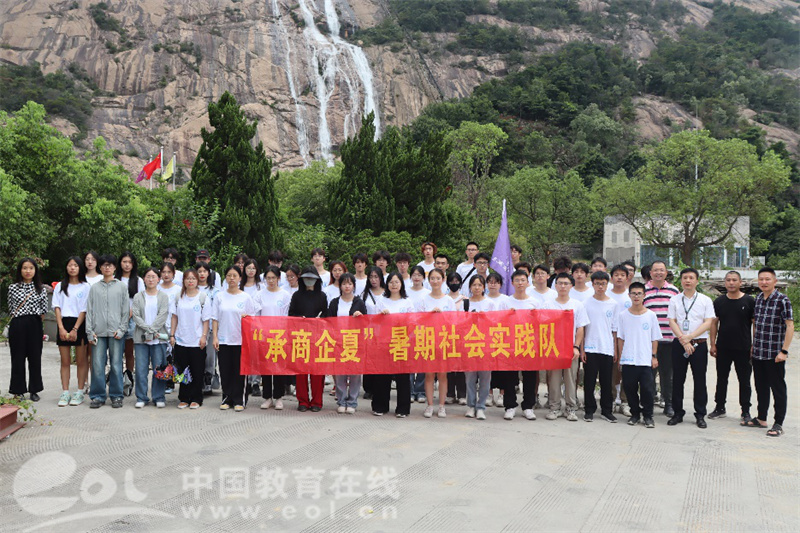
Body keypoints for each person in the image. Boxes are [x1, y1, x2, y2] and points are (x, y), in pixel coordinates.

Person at [666, 267, 716, 429]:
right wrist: (684, 340)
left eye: (691, 278)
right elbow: (672, 321)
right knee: (677, 380)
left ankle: (700, 414)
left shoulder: (705, 300)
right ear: (681, 281)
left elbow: (708, 322)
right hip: (679, 344)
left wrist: (690, 337)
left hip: (698, 344)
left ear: (697, 281)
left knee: (699, 380)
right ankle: (677, 413)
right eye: (685, 278)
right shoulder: (674, 300)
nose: (688, 280)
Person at [749, 267, 793, 437]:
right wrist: (753, 345)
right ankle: (761, 418)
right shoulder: (758, 299)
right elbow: (756, 324)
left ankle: (778, 423)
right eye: (761, 279)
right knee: (760, 387)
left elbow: (789, 326)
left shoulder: (782, 300)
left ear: (775, 281)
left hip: (775, 354)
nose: (764, 282)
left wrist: (784, 351)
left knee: (778, 389)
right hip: (759, 352)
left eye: (767, 279)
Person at [541, 272, 590, 422]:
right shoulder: (548, 305)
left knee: (570, 379)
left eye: (566, 283)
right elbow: (543, 327)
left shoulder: (577, 305)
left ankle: (571, 408)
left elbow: (580, 328)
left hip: (570, 349)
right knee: (554, 380)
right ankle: (554, 407)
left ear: (571, 286)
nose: (563, 286)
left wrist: (576, 346)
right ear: (555, 286)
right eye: (560, 283)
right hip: (553, 348)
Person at [709, 271, 755, 423]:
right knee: (722, 378)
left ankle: (745, 411)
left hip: (743, 347)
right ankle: (719, 407)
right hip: (723, 347)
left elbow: (755, 324)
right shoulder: (719, 301)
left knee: (744, 381)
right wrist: (713, 344)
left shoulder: (749, 301)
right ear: (725, 282)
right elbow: (714, 323)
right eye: (728, 280)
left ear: (740, 282)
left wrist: (754, 344)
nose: (731, 283)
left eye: (734, 280)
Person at [212, 265, 260, 412]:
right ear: (225, 278)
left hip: (240, 340)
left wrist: (247, 320)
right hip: (223, 339)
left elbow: (252, 319)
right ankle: (227, 398)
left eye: (234, 276)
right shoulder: (219, 296)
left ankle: (240, 399)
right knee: (225, 370)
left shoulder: (245, 297)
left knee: (239, 371)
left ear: (240, 278)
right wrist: (215, 337)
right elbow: (215, 318)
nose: (231, 278)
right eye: (229, 275)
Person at [86, 255, 130, 409]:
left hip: (116, 332)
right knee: (97, 365)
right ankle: (98, 396)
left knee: (116, 365)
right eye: (104, 265)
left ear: (114, 268)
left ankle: (116, 395)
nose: (107, 268)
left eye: (110, 265)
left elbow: (126, 310)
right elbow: (89, 310)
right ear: (100, 268)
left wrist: (122, 329)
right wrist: (89, 331)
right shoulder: (94, 288)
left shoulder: (121, 287)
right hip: (98, 332)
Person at [616, 282, 662, 427]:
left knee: (648, 389)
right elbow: (620, 338)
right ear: (629, 295)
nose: (636, 296)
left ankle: (648, 416)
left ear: (644, 295)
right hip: (628, 359)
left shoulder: (651, 315)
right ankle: (635, 414)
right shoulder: (623, 315)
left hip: (645, 359)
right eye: (633, 294)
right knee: (630, 389)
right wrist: (621, 358)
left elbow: (655, 338)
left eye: (639, 293)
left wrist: (653, 356)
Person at [372, 272, 415, 417]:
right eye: (391, 282)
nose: (394, 285)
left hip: (401, 342)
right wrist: (381, 317)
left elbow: (412, 323)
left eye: (397, 282)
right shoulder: (381, 300)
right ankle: (380, 406)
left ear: (401, 284)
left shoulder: (407, 302)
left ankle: (403, 408)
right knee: (382, 376)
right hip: (384, 342)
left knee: (403, 377)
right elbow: (374, 322)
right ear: (387, 284)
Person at [6, 258, 49, 402]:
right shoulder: (13, 288)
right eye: (25, 268)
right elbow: (11, 307)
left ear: (35, 270)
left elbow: (44, 309)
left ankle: (34, 390)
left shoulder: (41, 288)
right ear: (20, 270)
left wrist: (37, 324)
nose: (28, 271)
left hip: (34, 324)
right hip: (18, 324)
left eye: (31, 268)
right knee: (17, 358)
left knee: (35, 358)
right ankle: (18, 390)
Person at [500, 270, 540, 421]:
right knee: (509, 376)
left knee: (530, 376)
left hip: (529, 342)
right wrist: (508, 315)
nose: (520, 283)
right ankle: (510, 406)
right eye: (517, 280)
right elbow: (499, 322)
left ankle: (528, 406)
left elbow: (540, 322)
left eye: (523, 280)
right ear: (512, 283)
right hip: (510, 343)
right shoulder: (506, 302)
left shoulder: (534, 302)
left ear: (528, 282)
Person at [170, 268, 211, 409]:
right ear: (184, 281)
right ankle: (184, 397)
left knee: (197, 371)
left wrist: (204, 336)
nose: (190, 281)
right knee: (182, 371)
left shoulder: (203, 297)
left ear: (197, 280)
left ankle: (196, 398)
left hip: (197, 341)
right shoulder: (178, 297)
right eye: (188, 278)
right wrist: (172, 335)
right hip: (181, 339)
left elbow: (206, 320)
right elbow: (174, 317)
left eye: (193, 278)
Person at [289, 267, 329, 412]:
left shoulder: (322, 296)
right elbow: (291, 314)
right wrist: (300, 319)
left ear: (317, 280)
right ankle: (303, 401)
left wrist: (320, 320)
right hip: (301, 337)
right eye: (306, 278)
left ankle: (317, 401)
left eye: (312, 278)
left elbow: (327, 315)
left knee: (317, 372)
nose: (309, 281)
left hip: (318, 338)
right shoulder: (296, 296)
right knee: (301, 372)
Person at [52, 257, 90, 406]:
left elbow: (84, 309)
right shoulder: (60, 286)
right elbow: (57, 307)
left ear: (80, 268)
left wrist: (75, 329)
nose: (72, 268)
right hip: (63, 322)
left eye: (75, 265)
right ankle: (65, 392)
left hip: (79, 323)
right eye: (70, 265)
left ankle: (79, 391)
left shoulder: (85, 287)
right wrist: (61, 327)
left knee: (81, 360)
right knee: (65, 361)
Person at [643, 260, 679, 417]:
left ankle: (668, 404)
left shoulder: (674, 291)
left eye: (661, 270)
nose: (658, 273)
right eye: (655, 270)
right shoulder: (643, 290)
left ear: (666, 273)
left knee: (667, 374)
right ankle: (648, 403)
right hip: (649, 341)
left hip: (668, 340)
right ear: (650, 273)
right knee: (649, 375)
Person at [582, 271, 619, 422]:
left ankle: (606, 410)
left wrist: (615, 350)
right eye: (597, 283)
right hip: (590, 348)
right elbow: (582, 328)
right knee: (589, 381)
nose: (600, 287)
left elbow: (614, 329)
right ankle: (589, 409)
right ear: (592, 284)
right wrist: (582, 349)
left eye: (603, 284)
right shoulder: (586, 303)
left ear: (607, 284)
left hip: (607, 348)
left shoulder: (613, 304)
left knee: (606, 381)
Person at [419, 268, 456, 418]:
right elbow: (418, 321)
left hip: (444, 341)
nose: (435, 281)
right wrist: (430, 316)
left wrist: (442, 316)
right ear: (429, 281)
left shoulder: (448, 300)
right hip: (428, 341)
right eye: (432, 279)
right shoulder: (424, 300)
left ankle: (441, 406)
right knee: (429, 375)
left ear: (443, 279)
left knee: (442, 375)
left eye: (438, 278)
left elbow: (454, 321)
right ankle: (429, 405)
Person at [328, 273, 367, 414]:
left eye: (350, 284)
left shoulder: (359, 302)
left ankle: (352, 402)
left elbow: (366, 323)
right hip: (338, 341)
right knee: (340, 374)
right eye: (344, 284)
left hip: (354, 342)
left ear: (354, 286)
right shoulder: (334, 302)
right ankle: (341, 400)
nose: (347, 286)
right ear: (340, 286)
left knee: (355, 374)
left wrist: (360, 317)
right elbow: (329, 322)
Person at [131, 268, 170, 409]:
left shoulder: (163, 296)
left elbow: (163, 315)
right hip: (141, 338)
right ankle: (141, 397)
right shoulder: (138, 296)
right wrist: (148, 330)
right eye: (148, 276)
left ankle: (158, 396)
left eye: (154, 277)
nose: (151, 279)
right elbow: (136, 316)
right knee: (141, 369)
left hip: (158, 338)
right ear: (144, 279)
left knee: (159, 369)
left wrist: (151, 332)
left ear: (158, 279)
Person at [254, 266, 291, 410]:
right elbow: (256, 316)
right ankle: (267, 397)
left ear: (278, 279)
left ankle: (279, 397)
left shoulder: (285, 295)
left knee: (279, 368)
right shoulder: (259, 295)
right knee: (266, 368)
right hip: (265, 336)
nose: (271, 281)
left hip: (280, 336)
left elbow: (287, 316)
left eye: (273, 278)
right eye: (268, 278)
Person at [463, 275, 497, 420]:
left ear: (484, 287)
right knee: (470, 378)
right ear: (470, 287)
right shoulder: (465, 303)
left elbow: (496, 323)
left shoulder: (490, 303)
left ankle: (481, 406)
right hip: (470, 345)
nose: (477, 288)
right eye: (474, 285)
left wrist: (485, 318)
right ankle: (471, 405)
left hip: (486, 345)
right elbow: (459, 323)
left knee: (485, 378)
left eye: (479, 285)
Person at [116, 251, 144, 397]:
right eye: (124, 262)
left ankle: (129, 379)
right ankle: (116, 380)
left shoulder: (138, 281)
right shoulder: (115, 279)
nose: (127, 265)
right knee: (116, 353)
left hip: (132, 319)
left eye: (130, 262)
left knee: (129, 352)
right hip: (115, 319)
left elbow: (140, 301)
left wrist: (129, 314)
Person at [607, 264, 632, 417]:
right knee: (611, 370)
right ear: (611, 278)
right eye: (616, 275)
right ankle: (610, 399)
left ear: (627, 277)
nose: (619, 278)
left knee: (626, 369)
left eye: (622, 275)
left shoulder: (630, 296)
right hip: (609, 337)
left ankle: (625, 401)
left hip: (628, 337)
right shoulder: (606, 295)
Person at [361, 266, 387, 402]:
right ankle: (368, 388)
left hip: (384, 331)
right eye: (371, 277)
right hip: (368, 331)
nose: (373, 280)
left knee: (381, 360)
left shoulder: (387, 293)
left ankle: (379, 387)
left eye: (376, 277)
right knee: (369, 360)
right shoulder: (364, 294)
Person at [485, 272, 510, 408]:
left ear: (500, 285)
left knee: (502, 367)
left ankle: (502, 394)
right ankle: (489, 394)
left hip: (502, 338)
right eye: (490, 282)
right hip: (486, 338)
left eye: (496, 282)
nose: (493, 285)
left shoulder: (506, 299)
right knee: (488, 368)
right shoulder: (483, 298)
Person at [196, 261, 220, 396]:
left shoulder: (215, 291)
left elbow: (217, 311)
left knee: (210, 357)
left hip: (210, 328)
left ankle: (208, 379)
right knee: (197, 356)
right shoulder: (191, 289)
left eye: (204, 271)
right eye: (199, 271)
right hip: (194, 329)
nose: (202, 274)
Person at [445, 272, 467, 405]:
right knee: (448, 367)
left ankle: (462, 394)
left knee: (461, 367)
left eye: (457, 281)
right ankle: (450, 394)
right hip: (446, 336)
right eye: (451, 281)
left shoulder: (465, 300)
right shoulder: (444, 299)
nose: (454, 284)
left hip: (461, 336)